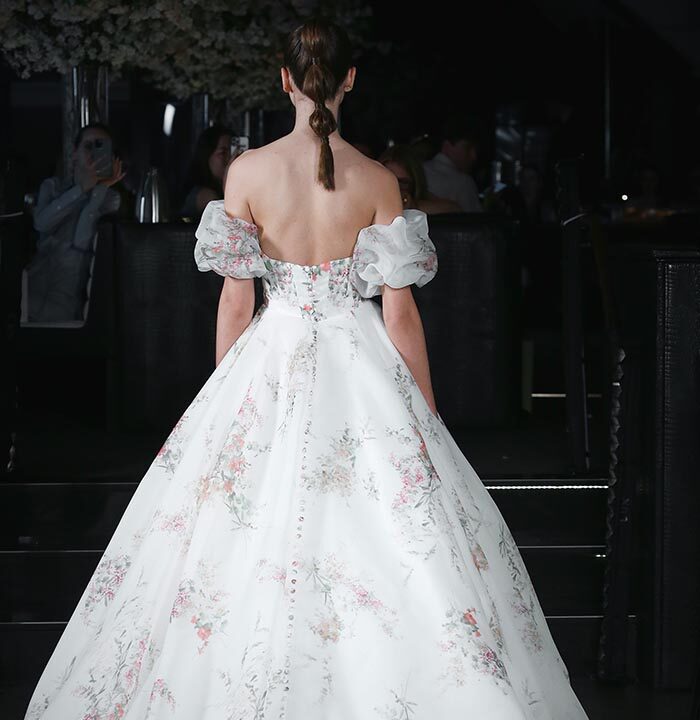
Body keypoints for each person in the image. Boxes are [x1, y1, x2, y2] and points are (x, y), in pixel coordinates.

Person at [24, 17, 590, 720]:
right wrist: (425, 415)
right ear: (350, 79)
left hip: (274, 349)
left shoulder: (248, 173)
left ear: (285, 80)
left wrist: (225, 403)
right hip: (363, 361)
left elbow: (236, 300)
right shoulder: (377, 179)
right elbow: (400, 314)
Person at [26, 123, 125, 322]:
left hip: (70, 292)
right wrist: (80, 190)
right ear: (74, 154)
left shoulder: (109, 198)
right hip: (34, 284)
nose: (93, 153)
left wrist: (98, 189)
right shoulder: (52, 186)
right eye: (88, 146)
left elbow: (82, 242)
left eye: (101, 147)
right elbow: (41, 223)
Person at [423, 114, 484, 212]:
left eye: (475, 150)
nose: (473, 156)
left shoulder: (420, 170)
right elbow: (477, 220)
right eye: (467, 148)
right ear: (447, 146)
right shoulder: (464, 182)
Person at [379, 143, 461, 214]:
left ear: (415, 184)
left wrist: (413, 206)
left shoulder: (419, 198)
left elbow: (454, 209)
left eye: (403, 182)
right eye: (390, 181)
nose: (396, 187)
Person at [179, 124, 233, 219]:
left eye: (232, 152)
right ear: (207, 155)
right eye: (223, 153)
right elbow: (228, 221)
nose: (230, 158)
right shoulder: (205, 195)